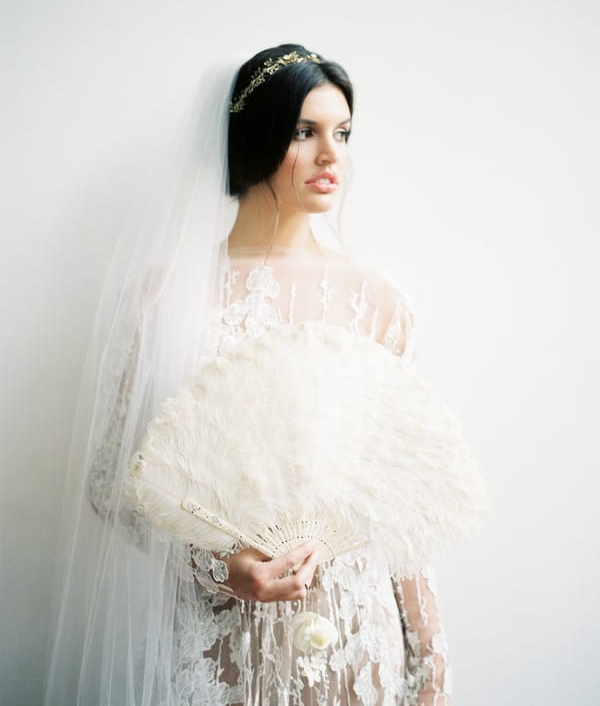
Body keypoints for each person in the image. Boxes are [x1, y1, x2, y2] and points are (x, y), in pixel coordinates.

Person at [44, 44, 477, 705]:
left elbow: (402, 505)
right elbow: (114, 484)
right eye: (306, 132)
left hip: (353, 638)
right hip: (217, 643)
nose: (333, 154)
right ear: (254, 137)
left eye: (343, 133)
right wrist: (223, 566)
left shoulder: (378, 302)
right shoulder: (167, 299)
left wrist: (431, 663)